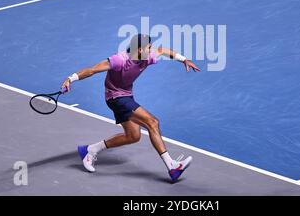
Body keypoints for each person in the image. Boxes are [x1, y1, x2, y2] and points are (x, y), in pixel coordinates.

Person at [61, 34, 200, 182]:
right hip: (115, 98)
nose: (151, 50)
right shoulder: (119, 60)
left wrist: (184, 59)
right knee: (153, 122)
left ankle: (90, 150)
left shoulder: (147, 57)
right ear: (140, 49)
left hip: (127, 96)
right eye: (148, 47)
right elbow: (92, 70)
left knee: (133, 136)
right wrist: (71, 79)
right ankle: (172, 166)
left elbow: (163, 50)